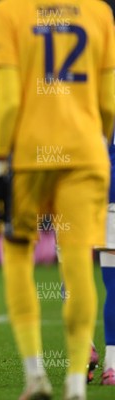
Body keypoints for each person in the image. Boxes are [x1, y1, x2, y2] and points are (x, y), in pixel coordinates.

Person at [0, 1, 115, 399]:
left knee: (19, 255)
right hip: (88, 156)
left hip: (31, 154)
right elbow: (110, 104)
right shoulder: (99, 12)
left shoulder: (7, 12)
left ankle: (35, 375)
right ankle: (76, 382)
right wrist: (94, 138)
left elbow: (7, 102)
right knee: (80, 264)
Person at [97, 139, 115, 385]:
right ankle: (112, 365)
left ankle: (83, 351)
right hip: (111, 190)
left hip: (71, 189)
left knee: (71, 270)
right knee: (113, 280)